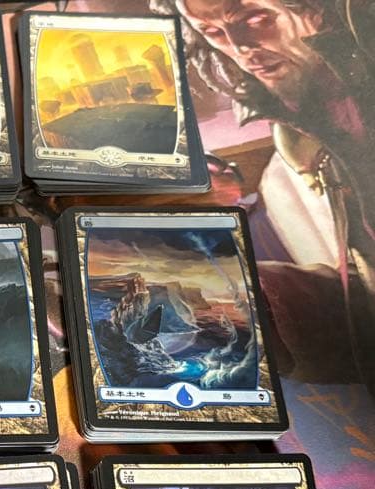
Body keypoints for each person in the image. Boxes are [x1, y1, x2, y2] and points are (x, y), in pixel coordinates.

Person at [155, 0, 375, 389]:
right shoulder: (310, 125)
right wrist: (251, 300)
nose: (239, 48)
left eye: (256, 20)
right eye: (214, 33)